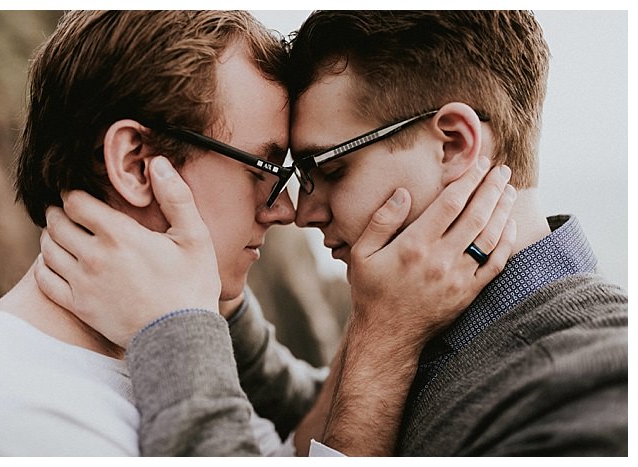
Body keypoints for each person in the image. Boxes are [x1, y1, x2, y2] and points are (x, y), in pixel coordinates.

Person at [36, 10, 627, 456]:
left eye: (330, 169)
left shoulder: (592, 389)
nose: (300, 209)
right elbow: (314, 415)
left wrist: (176, 332)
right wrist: (219, 300)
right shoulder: (438, 320)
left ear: (453, 144)